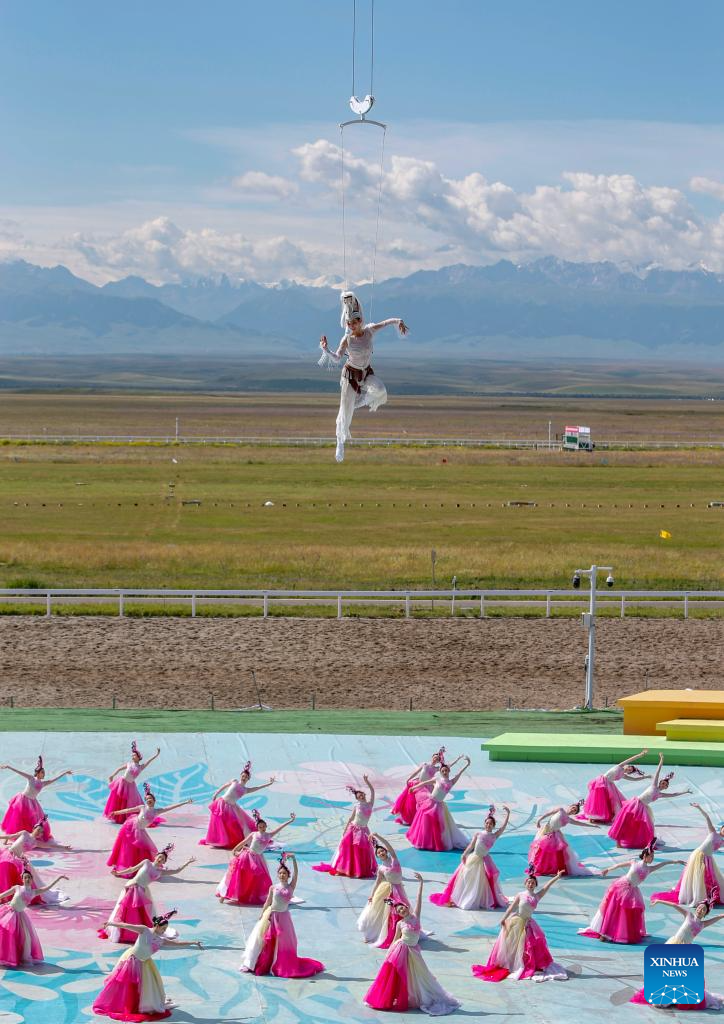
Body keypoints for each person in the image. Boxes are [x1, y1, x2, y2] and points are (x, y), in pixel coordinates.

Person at [319, 290, 408, 463]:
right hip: (350, 375)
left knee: (380, 390)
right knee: (345, 415)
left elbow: (385, 322)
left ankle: (357, 403)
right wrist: (325, 349)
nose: (353, 325)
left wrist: (399, 321)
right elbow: (337, 358)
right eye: (349, 323)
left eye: (355, 321)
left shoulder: (369, 331)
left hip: (366, 372)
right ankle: (340, 442)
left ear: (361, 320)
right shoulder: (347, 340)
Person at [364, 873, 461, 1015]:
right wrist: (388, 953)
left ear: (406, 907)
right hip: (400, 949)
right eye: (399, 911)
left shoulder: (415, 917)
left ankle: (415, 994)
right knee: (395, 974)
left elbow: (419, 899)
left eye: (402, 908)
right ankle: (388, 998)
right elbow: (395, 939)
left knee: (419, 974)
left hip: (413, 951)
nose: (401, 911)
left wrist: (421, 883)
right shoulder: (400, 923)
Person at [92, 911, 203, 1021]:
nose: (164, 931)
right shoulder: (144, 930)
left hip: (145, 963)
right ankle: (124, 1004)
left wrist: (193, 942)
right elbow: (126, 926)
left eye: (165, 929)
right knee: (127, 984)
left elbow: (177, 944)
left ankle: (140, 1004)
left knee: (144, 987)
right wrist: (110, 923)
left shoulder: (161, 940)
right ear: (157, 926)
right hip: (132, 960)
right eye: (163, 929)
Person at [579, 837, 685, 943]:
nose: (652, 858)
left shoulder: (649, 869)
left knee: (627, 912)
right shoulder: (634, 863)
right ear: (645, 856)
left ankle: (621, 933)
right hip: (621, 887)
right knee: (613, 909)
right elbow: (619, 865)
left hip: (632, 891)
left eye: (653, 857)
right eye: (651, 856)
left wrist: (675, 861)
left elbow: (663, 864)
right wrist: (608, 869)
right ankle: (605, 932)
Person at [471, 866, 568, 983]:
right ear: (525, 883)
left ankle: (527, 963)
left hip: (529, 923)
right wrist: (504, 918)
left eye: (533, 883)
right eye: (529, 882)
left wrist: (557, 876)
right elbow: (511, 907)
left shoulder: (537, 896)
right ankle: (512, 963)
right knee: (513, 944)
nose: (531, 884)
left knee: (529, 945)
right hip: (517, 922)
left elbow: (547, 886)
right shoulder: (520, 895)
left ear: (535, 885)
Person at [629, 892, 724, 1009]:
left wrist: (721, 916)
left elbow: (716, 918)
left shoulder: (702, 924)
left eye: (703, 910)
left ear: (706, 913)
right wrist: (659, 901)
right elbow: (675, 906)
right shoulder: (688, 915)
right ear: (697, 908)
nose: (700, 910)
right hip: (673, 944)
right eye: (700, 908)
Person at [241, 853, 324, 977]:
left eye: (284, 873)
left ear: (288, 875)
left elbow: (296, 874)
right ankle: (255, 963)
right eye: (280, 873)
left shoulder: (291, 887)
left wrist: (294, 860)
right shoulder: (273, 888)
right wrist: (262, 914)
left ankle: (280, 964)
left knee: (284, 942)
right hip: (271, 915)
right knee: (263, 940)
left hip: (284, 917)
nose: (282, 875)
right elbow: (268, 902)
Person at [101, 845, 195, 943]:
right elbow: (132, 869)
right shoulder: (146, 862)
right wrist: (118, 873)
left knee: (137, 913)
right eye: (160, 857)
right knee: (125, 910)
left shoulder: (160, 871)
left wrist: (187, 863)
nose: (160, 859)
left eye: (163, 859)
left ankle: (134, 935)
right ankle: (121, 933)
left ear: (164, 862)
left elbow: (176, 871)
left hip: (140, 892)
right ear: (156, 856)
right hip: (131, 887)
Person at [430, 805, 510, 910]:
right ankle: (461, 897)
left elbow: (503, 827)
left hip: (484, 861)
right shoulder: (478, 834)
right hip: (473, 858)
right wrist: (464, 854)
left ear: (493, 825)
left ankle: (477, 899)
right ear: (484, 824)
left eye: (491, 824)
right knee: (466, 876)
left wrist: (508, 814)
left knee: (480, 881)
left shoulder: (494, 836)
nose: (488, 825)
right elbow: (471, 845)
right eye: (487, 823)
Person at [608, 753, 692, 849]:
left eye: (665, 785)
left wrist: (685, 792)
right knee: (626, 821)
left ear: (666, 787)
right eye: (663, 783)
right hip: (635, 804)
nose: (663, 785)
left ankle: (642, 841)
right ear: (660, 782)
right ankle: (618, 842)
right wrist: (661, 760)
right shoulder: (654, 786)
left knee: (642, 825)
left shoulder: (660, 794)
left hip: (642, 808)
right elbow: (658, 771)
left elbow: (673, 794)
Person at [217, 809, 296, 906]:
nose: (262, 828)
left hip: (258, 858)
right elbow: (243, 842)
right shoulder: (253, 834)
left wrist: (290, 820)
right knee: (237, 874)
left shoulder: (269, 835)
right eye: (260, 827)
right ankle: (224, 895)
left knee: (259, 877)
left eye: (263, 826)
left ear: (266, 826)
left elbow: (280, 827)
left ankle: (254, 895)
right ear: (257, 827)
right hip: (247, 856)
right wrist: (234, 850)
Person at [652, 802, 724, 907]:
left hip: (708, 859)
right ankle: (694, 894)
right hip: (698, 855)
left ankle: (706, 893)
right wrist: (699, 808)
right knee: (696, 875)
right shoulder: (713, 832)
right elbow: (707, 818)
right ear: (721, 828)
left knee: (708, 876)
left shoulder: (722, 842)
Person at [107, 784, 192, 871]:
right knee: (128, 848)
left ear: (154, 800)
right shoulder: (142, 807)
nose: (148, 800)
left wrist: (185, 802)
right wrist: (116, 812)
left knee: (144, 849)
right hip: (131, 827)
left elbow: (170, 807)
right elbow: (128, 810)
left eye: (150, 798)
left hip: (140, 831)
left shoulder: (156, 811)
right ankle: (125, 865)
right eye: (147, 799)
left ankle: (139, 866)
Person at [0, 866, 69, 967]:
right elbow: (1, 895)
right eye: (25, 877)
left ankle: (13, 957)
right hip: (9, 912)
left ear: (32, 879)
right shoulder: (17, 888)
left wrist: (58, 878)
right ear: (22, 879)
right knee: (5, 931)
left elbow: (48, 888)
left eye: (29, 877)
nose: (27, 879)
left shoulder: (34, 892)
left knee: (24, 938)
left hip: (19, 916)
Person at [200, 762, 275, 849]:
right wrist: (216, 794)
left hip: (231, 807)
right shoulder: (234, 781)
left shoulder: (246, 790)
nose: (244, 778)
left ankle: (234, 841)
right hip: (222, 803)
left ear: (248, 779)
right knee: (218, 823)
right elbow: (224, 786)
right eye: (243, 776)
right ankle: (217, 840)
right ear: (240, 776)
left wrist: (268, 784)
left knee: (234, 824)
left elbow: (257, 788)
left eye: (246, 777)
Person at [314, 775, 377, 877]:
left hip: (364, 830)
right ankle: (343, 869)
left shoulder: (370, 804)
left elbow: (372, 791)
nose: (361, 796)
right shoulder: (357, 806)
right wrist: (345, 829)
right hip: (353, 829)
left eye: (362, 794)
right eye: (359, 796)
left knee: (361, 851)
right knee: (348, 849)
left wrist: (366, 781)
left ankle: (358, 870)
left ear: (364, 795)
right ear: (357, 798)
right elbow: (351, 818)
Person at [358, 833, 413, 948]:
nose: (381, 853)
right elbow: (377, 882)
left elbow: (388, 845)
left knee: (403, 910)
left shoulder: (394, 860)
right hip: (387, 892)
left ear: (386, 851)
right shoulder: (381, 868)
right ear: (377, 856)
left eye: (382, 851)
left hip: (399, 891)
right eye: (378, 853)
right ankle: (380, 934)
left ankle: (405, 932)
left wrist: (377, 836)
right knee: (386, 914)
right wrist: (372, 895)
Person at [0, 816, 71, 903]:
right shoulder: (24, 833)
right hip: (9, 854)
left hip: (19, 859)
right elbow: (10, 836)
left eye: (41, 832)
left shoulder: (36, 843)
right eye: (38, 830)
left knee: (22, 876)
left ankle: (14, 896)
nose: (39, 833)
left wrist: (63, 847)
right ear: (34, 828)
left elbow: (50, 845)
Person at [1, 756, 72, 840]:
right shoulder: (31, 778)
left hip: (32, 803)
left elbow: (54, 779)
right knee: (17, 819)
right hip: (22, 800)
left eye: (44, 772)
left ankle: (29, 836)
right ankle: (9, 837)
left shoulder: (43, 783)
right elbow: (20, 772)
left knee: (31, 820)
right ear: (37, 773)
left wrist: (64, 773)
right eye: (42, 772)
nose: (44, 774)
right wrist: (8, 767)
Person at [407, 758, 471, 852]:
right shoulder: (437, 779)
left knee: (437, 826)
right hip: (430, 802)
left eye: (446, 770)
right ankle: (424, 842)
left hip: (439, 806)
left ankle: (433, 843)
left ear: (449, 771)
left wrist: (467, 764)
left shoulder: (451, 782)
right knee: (425, 822)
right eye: (443, 771)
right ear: (440, 772)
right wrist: (414, 787)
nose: (444, 772)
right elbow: (424, 782)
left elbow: (459, 773)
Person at [390, 748, 461, 826]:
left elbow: (447, 766)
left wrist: (457, 760)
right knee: (410, 803)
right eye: (435, 757)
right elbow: (416, 772)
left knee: (420, 805)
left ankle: (418, 820)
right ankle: (408, 819)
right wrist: (409, 778)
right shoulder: (425, 765)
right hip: (417, 784)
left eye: (437, 759)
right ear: (432, 757)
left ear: (438, 761)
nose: (435, 759)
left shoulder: (436, 768)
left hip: (425, 788)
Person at [528, 801, 600, 876]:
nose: (573, 810)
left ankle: (549, 868)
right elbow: (548, 813)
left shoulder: (568, 819)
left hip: (553, 834)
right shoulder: (560, 810)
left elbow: (581, 823)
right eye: (573, 808)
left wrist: (593, 826)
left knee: (551, 853)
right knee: (539, 849)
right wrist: (539, 820)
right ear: (570, 806)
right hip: (545, 831)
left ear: (574, 813)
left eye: (575, 811)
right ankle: (535, 867)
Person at [579, 749, 650, 824]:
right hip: (601, 782)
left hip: (609, 785)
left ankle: (601, 817)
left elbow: (634, 779)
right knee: (598, 799)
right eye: (629, 767)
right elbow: (630, 759)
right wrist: (640, 755)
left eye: (630, 770)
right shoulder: (619, 766)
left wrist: (645, 777)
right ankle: (593, 816)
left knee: (611, 802)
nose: (629, 769)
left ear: (629, 773)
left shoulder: (623, 775)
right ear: (627, 766)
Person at [104, 741, 161, 823]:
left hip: (130, 786)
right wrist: (112, 775)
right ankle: (115, 816)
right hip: (122, 783)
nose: (132, 756)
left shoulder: (141, 767)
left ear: (138, 757)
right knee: (118, 799)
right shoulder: (129, 764)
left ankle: (123, 817)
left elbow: (149, 761)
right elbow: (119, 769)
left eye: (134, 755)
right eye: (132, 755)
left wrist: (156, 754)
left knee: (129, 802)